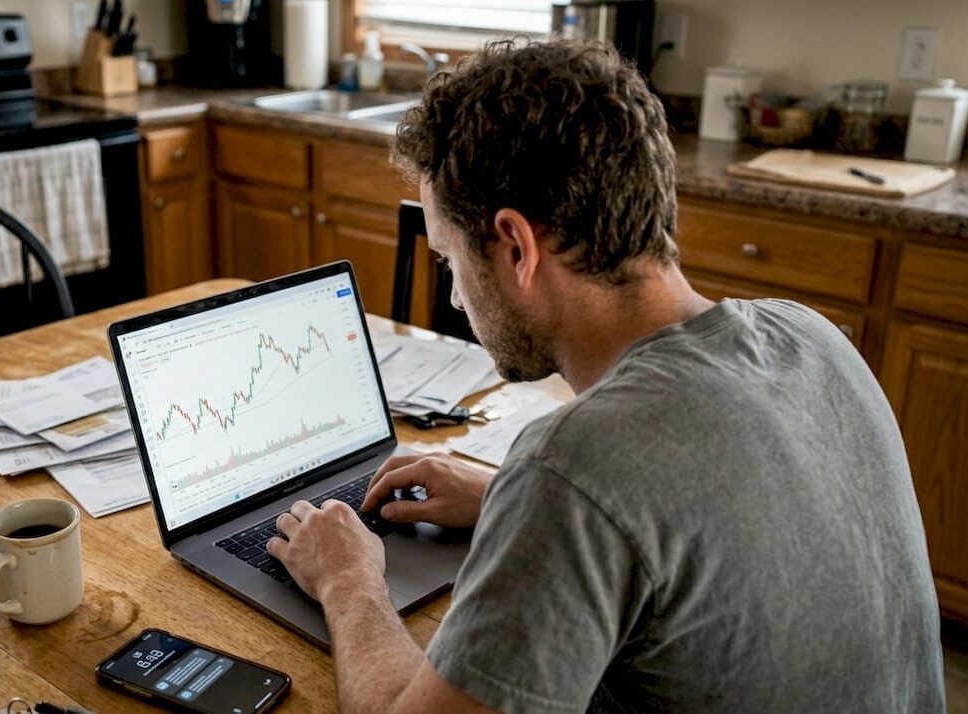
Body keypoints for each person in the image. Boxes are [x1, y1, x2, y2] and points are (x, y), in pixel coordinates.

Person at [266, 38, 945, 713]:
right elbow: (696, 514)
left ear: (515, 247)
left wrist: (349, 580)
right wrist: (506, 495)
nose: (454, 298)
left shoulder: (573, 469)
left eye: (450, 263)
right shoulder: (809, 335)